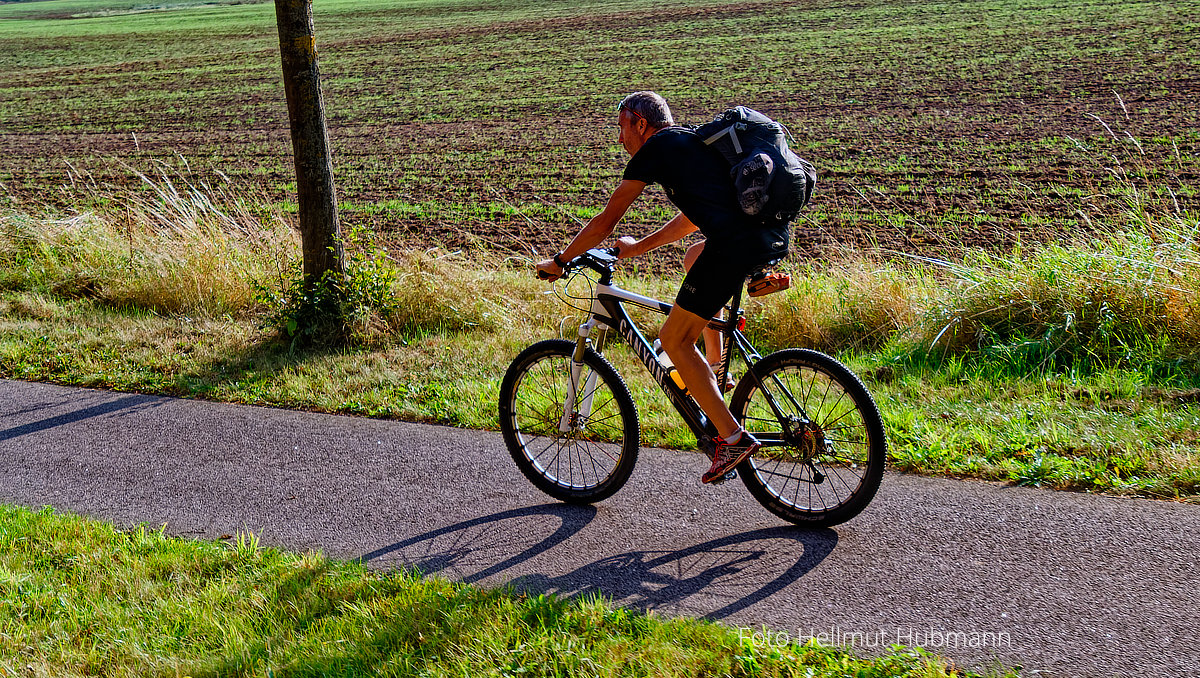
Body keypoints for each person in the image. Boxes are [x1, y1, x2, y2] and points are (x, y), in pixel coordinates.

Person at [536, 91, 790, 484]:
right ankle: (716, 372)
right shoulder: (688, 143)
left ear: (640, 122)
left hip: (733, 246)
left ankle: (733, 438)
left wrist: (561, 260)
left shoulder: (655, 148)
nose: (620, 139)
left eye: (622, 127)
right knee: (693, 258)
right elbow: (692, 219)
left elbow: (607, 220)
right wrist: (638, 247)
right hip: (766, 237)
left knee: (673, 339)